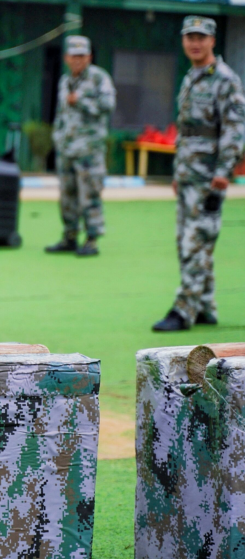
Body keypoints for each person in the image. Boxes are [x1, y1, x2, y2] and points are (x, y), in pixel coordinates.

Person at [153, 16, 245, 332]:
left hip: (210, 179)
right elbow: (187, 131)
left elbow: (234, 129)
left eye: (201, 37)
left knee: (196, 243)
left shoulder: (225, 79)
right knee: (187, 241)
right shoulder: (191, 78)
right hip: (189, 175)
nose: (194, 42)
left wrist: (223, 171)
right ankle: (206, 305)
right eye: (189, 36)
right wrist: (178, 173)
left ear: (212, 41)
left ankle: (183, 310)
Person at [46, 35, 116, 257]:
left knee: (90, 194)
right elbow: (61, 112)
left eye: (82, 56)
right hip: (67, 148)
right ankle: (69, 237)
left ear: (89, 57)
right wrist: (57, 136)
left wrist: (82, 102)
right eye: (73, 56)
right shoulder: (65, 81)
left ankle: (92, 240)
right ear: (66, 58)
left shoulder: (98, 78)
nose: (77, 60)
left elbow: (108, 106)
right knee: (67, 195)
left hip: (89, 149)